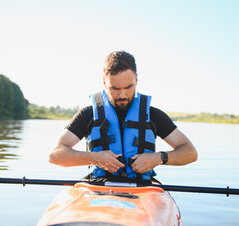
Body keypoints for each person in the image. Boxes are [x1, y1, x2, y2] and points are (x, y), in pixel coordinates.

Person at [49, 51, 197, 184]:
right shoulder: (87, 114)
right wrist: (95, 158)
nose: (122, 95)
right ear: (104, 82)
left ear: (137, 80)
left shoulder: (154, 115)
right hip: (99, 187)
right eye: (115, 88)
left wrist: (159, 158)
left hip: (143, 190)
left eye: (128, 87)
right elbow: (55, 155)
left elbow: (190, 152)